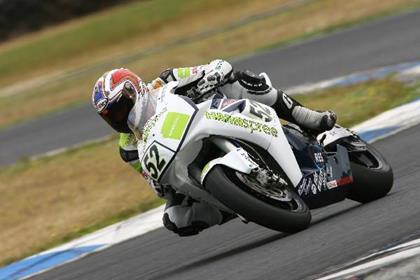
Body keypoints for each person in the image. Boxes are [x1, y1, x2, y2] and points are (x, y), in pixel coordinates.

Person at [92, 59, 336, 236]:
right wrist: (159, 186)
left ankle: (304, 116)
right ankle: (235, 203)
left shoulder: (164, 81)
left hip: (217, 114)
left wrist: (210, 76)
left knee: (238, 79)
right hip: (184, 164)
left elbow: (218, 66)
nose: (118, 118)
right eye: (110, 116)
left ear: (134, 90)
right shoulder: (128, 148)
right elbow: (156, 183)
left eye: (120, 108)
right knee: (175, 219)